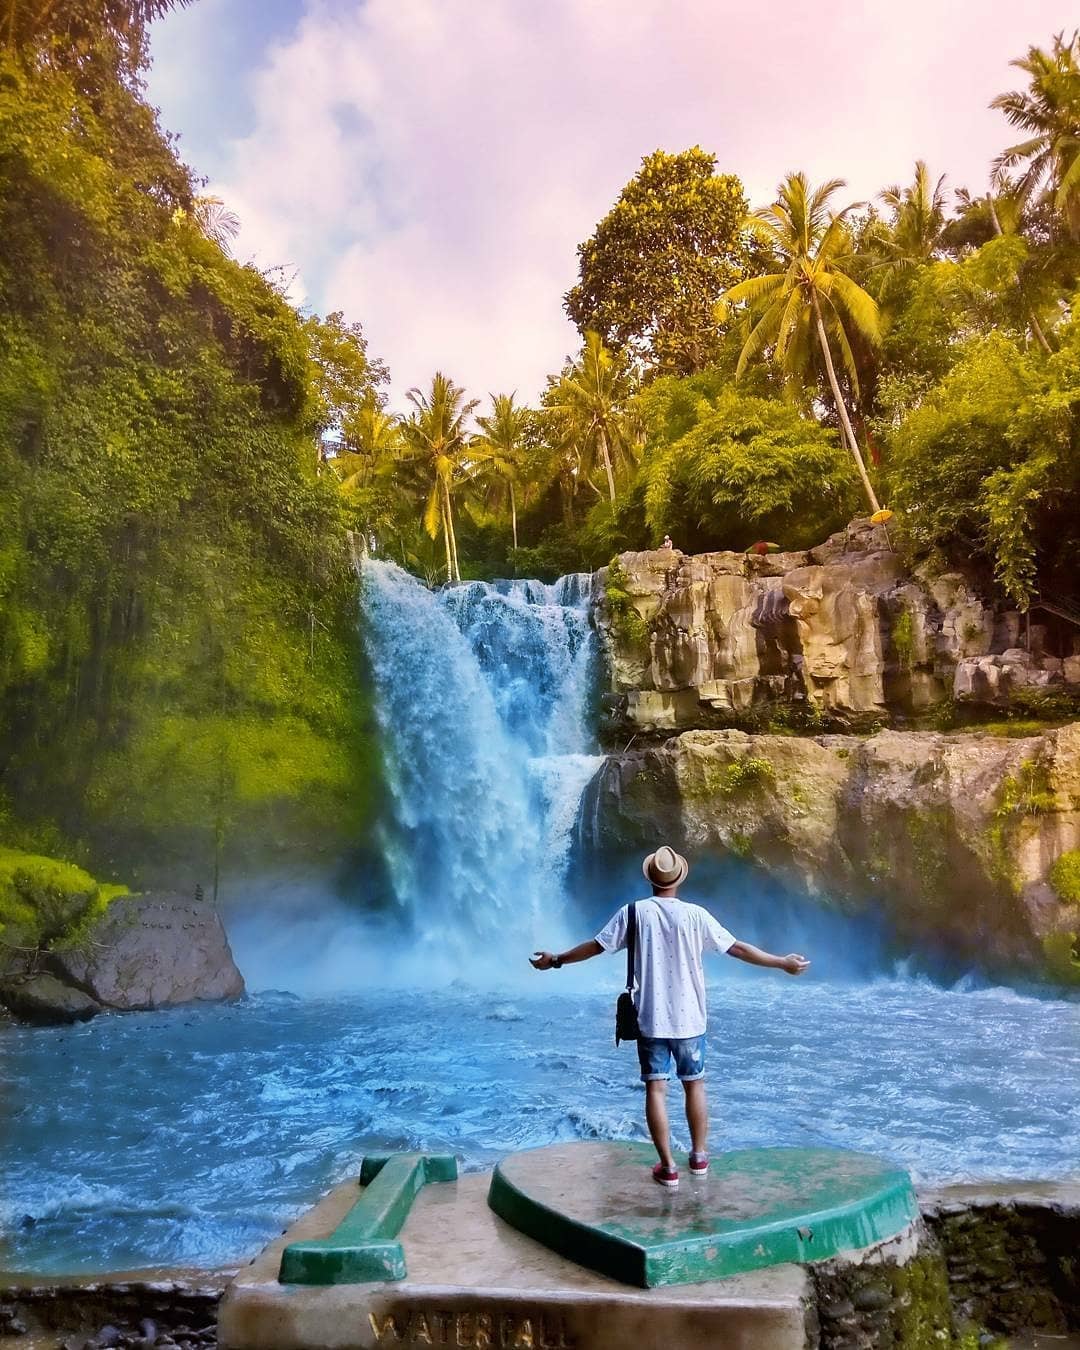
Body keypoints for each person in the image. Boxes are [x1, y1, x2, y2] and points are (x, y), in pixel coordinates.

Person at [530, 844, 810, 1188]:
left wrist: (556, 959)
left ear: (650, 878)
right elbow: (737, 948)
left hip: (650, 1018)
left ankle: (668, 1167)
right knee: (696, 1085)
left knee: (656, 1090)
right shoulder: (696, 915)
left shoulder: (632, 913)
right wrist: (781, 962)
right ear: (679, 878)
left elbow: (595, 946)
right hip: (691, 1017)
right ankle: (700, 1156)